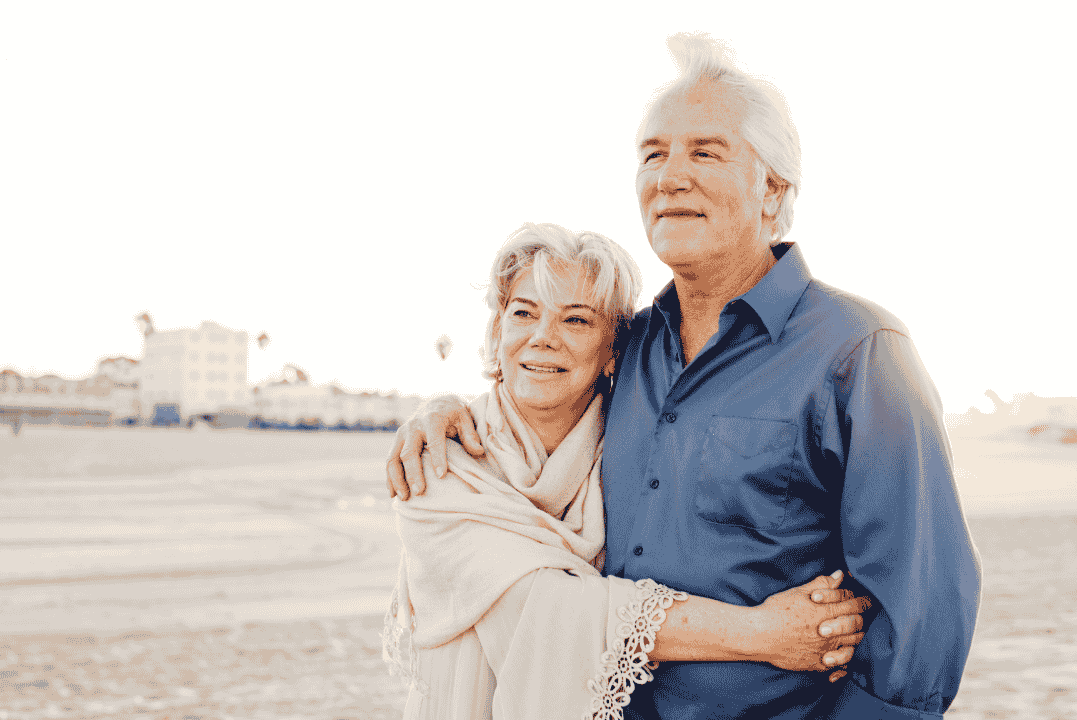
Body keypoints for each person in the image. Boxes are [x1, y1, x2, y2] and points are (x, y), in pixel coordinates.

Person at [386, 34, 981, 719]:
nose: (670, 176)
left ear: (774, 188)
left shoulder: (861, 351)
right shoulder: (625, 346)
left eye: (705, 151)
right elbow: (532, 412)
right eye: (652, 154)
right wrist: (443, 411)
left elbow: (923, 608)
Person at [383, 222, 871, 720]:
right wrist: (763, 634)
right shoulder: (437, 466)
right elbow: (548, 608)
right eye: (523, 313)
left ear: (613, 349)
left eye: (575, 321)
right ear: (496, 332)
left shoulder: (626, 443)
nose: (542, 338)